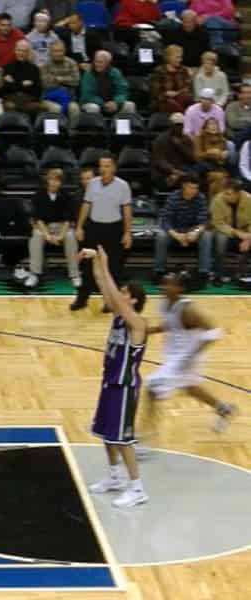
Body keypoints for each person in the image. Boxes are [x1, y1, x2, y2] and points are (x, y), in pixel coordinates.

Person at [81, 247, 149, 508]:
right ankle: (114, 476)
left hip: (125, 387)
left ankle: (137, 489)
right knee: (106, 434)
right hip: (109, 383)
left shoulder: (138, 324)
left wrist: (106, 262)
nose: (119, 295)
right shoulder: (119, 316)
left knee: (123, 439)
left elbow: (112, 291)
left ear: (133, 300)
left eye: (124, 293)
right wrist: (97, 260)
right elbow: (102, 283)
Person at [142, 272, 239, 438]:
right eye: (163, 283)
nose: (163, 287)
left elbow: (214, 331)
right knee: (190, 388)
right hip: (176, 355)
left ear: (179, 289)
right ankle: (224, 409)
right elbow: (171, 324)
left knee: (152, 388)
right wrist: (151, 331)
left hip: (187, 357)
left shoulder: (188, 309)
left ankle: (148, 433)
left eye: (168, 284)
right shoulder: (164, 303)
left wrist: (193, 354)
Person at [71, 154, 133, 311]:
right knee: (87, 266)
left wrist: (127, 233)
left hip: (114, 229)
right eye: (101, 166)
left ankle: (110, 301)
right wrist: (79, 227)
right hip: (94, 228)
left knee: (113, 268)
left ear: (114, 168)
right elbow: (86, 205)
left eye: (107, 166)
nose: (103, 169)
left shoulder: (123, 186)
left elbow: (127, 210)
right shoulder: (92, 184)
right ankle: (82, 299)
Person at [25, 169, 79, 288]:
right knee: (36, 236)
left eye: (57, 180)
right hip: (44, 227)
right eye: (51, 179)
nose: (54, 183)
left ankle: (74, 274)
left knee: (70, 236)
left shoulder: (67, 196)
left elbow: (68, 220)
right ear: (47, 181)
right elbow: (38, 219)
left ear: (61, 182)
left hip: (62, 227)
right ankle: (34, 273)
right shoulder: (39, 195)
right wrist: (47, 236)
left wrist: (61, 236)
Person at [154, 174, 213, 280]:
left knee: (207, 236)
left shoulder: (201, 198)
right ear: (183, 186)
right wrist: (177, 235)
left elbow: (203, 221)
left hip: (192, 230)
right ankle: (159, 271)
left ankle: (203, 272)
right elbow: (165, 220)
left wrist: (196, 232)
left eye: (196, 188)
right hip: (174, 230)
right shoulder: (173, 197)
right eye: (191, 187)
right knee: (161, 236)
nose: (194, 191)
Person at [210, 181, 251, 282]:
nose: (225, 196)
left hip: (245, 232)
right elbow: (218, 223)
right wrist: (237, 233)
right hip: (224, 232)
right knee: (221, 239)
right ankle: (218, 273)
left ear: (238, 193)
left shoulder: (249, 200)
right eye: (224, 193)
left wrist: (249, 239)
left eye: (229, 194)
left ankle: (242, 274)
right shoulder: (217, 200)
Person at [79, 50, 135, 116]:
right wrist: (103, 104)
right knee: (93, 107)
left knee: (130, 105)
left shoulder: (115, 72)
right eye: (96, 61)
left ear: (108, 63)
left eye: (100, 62)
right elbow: (87, 95)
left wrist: (116, 102)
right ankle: (95, 123)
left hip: (113, 103)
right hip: (93, 103)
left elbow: (123, 91)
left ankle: (119, 122)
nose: (97, 64)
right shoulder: (88, 74)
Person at [152, 112, 197, 189]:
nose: (179, 127)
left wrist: (180, 146)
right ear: (171, 125)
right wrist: (173, 170)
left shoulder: (187, 139)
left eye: (181, 125)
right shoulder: (160, 139)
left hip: (183, 169)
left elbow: (192, 158)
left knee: (194, 175)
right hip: (165, 171)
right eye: (177, 125)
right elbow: (159, 160)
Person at [40, 40, 81, 120]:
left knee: (74, 109)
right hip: (49, 98)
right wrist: (66, 82)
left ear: (64, 51)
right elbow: (46, 84)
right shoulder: (45, 65)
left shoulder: (71, 63)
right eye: (55, 51)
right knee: (56, 108)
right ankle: (53, 128)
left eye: (60, 51)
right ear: (50, 52)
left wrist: (59, 79)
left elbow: (76, 81)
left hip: (69, 97)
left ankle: (69, 128)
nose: (58, 54)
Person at [0, 40, 43, 115]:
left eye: (24, 51)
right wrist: (23, 84)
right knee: (10, 106)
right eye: (19, 50)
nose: (21, 53)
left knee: (42, 108)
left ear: (28, 53)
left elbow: (37, 91)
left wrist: (13, 83)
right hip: (11, 99)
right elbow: (4, 89)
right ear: (15, 51)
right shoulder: (8, 67)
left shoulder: (34, 69)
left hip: (28, 100)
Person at [150, 45, 194, 114]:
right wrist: (165, 94)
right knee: (170, 103)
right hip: (164, 102)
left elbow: (187, 88)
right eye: (177, 57)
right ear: (169, 57)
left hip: (181, 100)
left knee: (187, 99)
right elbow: (155, 93)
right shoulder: (159, 71)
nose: (180, 60)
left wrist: (176, 94)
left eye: (181, 57)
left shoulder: (183, 70)